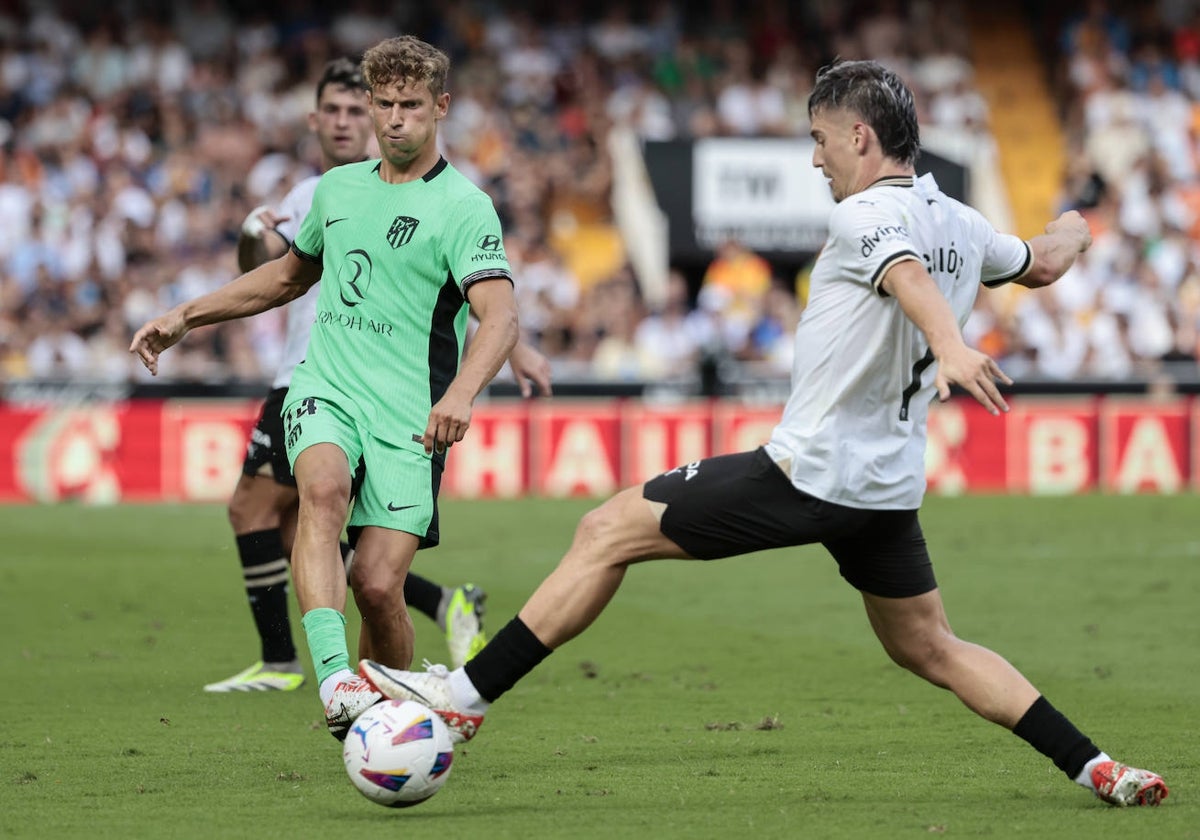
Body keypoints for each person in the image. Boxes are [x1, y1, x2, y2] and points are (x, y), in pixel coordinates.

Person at [359, 60, 1169, 808]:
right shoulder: (963, 221)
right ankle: (1097, 766)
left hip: (809, 475)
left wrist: (953, 345)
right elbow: (1042, 261)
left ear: (860, 136)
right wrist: (1076, 225)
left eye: (819, 140)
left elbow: (904, 276)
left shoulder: (866, 215)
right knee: (933, 647)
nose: (815, 160)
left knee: (606, 529)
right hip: (885, 489)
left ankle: (462, 701)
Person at [131, 35, 529, 741]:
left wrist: (463, 392)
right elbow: (288, 277)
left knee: (377, 586)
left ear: (442, 108)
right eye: (385, 104)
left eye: (411, 105)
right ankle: (336, 678)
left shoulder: (465, 207)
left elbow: (498, 315)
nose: (394, 119)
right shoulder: (336, 191)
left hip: (411, 412)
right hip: (327, 386)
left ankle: (392, 718)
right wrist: (185, 315)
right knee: (318, 493)